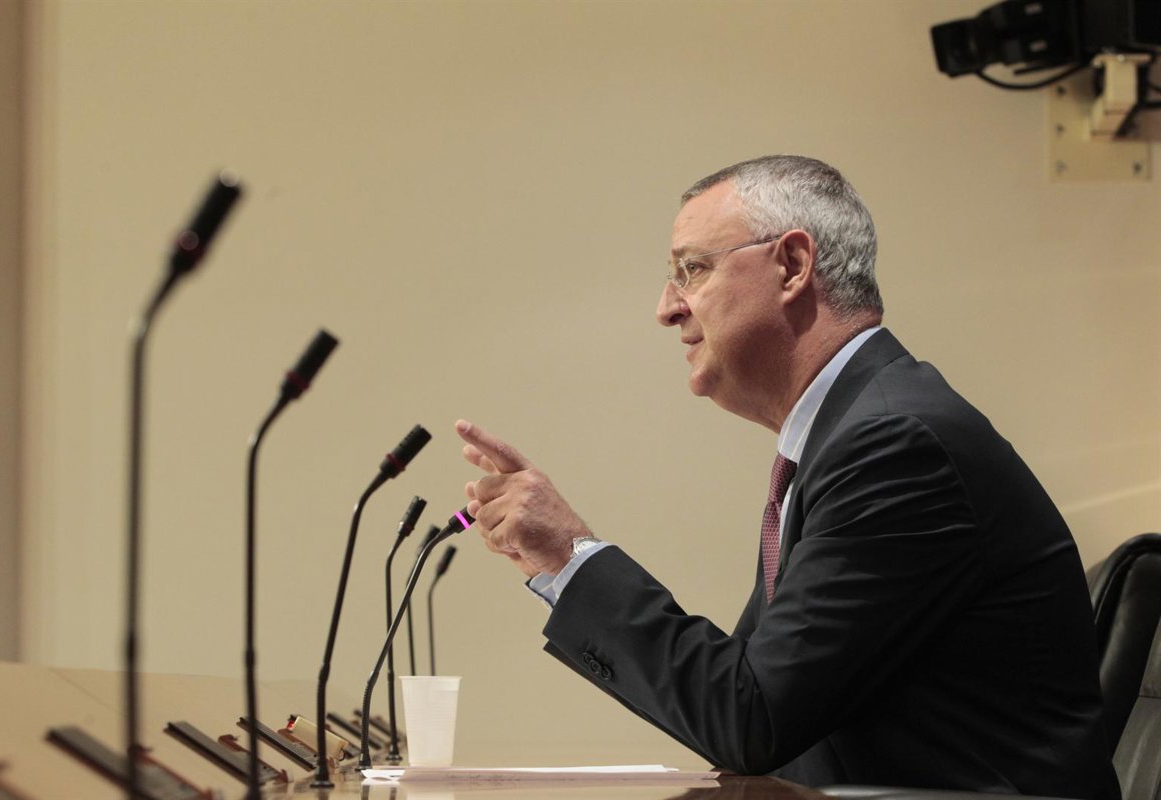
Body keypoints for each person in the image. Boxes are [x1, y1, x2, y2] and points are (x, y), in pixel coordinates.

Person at [455, 155, 1119, 799]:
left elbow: (750, 719)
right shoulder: (846, 435)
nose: (667, 307)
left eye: (692, 269)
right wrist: (560, 562)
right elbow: (737, 703)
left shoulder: (894, 445)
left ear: (793, 265)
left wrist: (571, 557)